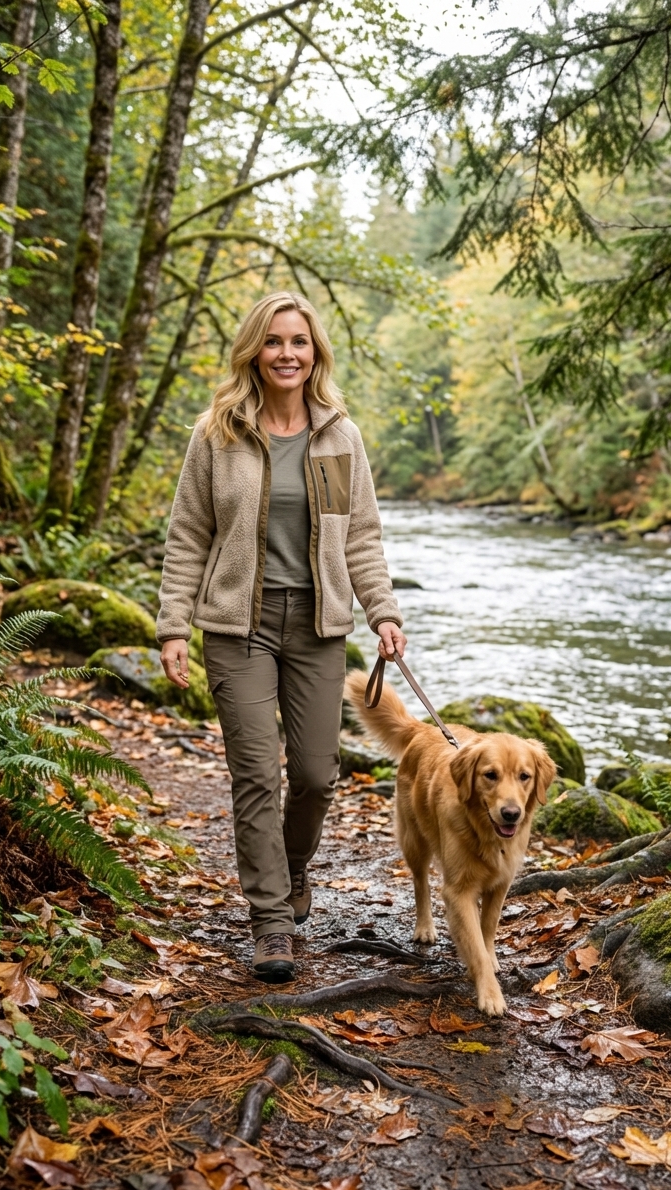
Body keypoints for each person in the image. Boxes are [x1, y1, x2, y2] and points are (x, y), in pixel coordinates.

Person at [156, 291, 405, 983]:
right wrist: (173, 624)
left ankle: (293, 870)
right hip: (238, 625)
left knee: (317, 777)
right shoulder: (217, 433)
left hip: (318, 627)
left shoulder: (339, 437)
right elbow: (187, 536)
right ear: (253, 353)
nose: (287, 354)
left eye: (298, 342)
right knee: (256, 777)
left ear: (314, 352)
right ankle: (270, 924)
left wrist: (382, 611)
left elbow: (360, 537)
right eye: (273, 342)